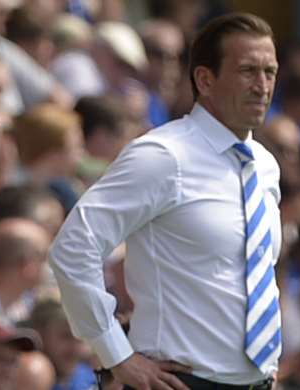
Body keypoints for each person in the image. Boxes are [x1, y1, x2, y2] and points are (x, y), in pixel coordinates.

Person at [49, 12, 281, 389]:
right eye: (247, 71)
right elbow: (74, 247)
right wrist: (117, 355)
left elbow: (253, 278)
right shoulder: (163, 155)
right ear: (205, 79)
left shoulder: (265, 165)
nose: (262, 85)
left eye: (269, 72)